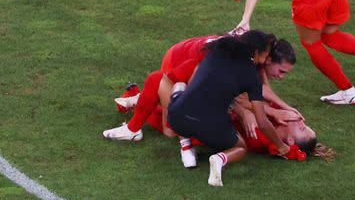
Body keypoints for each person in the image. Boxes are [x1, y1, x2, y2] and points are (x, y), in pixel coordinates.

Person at [103, 34, 303, 169]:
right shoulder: (247, 59)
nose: (282, 76)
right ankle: (138, 127)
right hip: (181, 60)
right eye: (282, 71)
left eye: (301, 127)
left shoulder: (255, 51)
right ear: (267, 59)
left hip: (200, 82)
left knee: (181, 111)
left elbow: (257, 89)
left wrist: (281, 108)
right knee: (170, 115)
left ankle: (138, 100)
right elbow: (230, 89)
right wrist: (252, 112)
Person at [166, 30, 291, 186]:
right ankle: (219, 159)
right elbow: (263, 122)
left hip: (177, 118)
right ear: (258, 51)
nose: (266, 59)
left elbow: (195, 80)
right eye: (266, 54)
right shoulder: (252, 77)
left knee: (179, 86)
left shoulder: (218, 48)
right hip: (209, 125)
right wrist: (282, 146)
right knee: (241, 147)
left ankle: (185, 145)